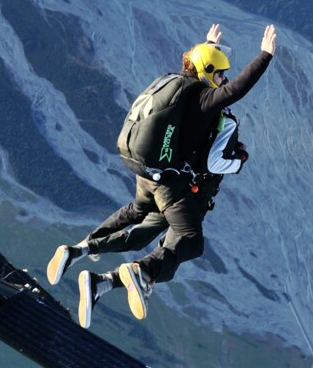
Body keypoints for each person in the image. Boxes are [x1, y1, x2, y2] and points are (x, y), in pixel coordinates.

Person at [46, 23, 276, 326]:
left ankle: (87, 262)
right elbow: (237, 89)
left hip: (147, 174)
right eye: (219, 74)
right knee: (189, 241)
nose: (223, 80)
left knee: (141, 218)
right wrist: (265, 55)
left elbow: (200, 67)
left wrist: (208, 44)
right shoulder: (204, 100)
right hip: (171, 183)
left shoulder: (177, 82)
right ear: (207, 72)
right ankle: (140, 272)